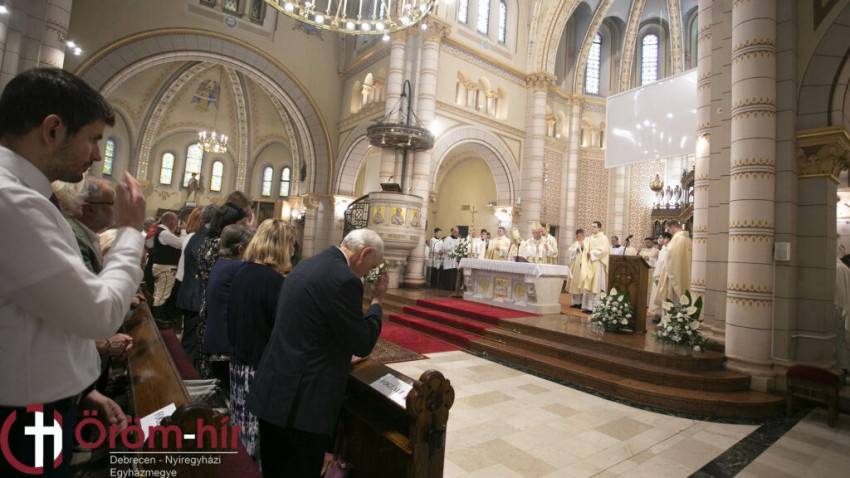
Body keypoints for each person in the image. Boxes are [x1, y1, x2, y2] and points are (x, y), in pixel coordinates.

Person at [0, 68, 145, 476]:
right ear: (52, 130)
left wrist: (80, 391)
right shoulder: (12, 201)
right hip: (23, 417)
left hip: (38, 402)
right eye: (93, 139)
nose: (97, 155)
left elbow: (36, 319)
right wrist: (130, 232)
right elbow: (99, 313)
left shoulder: (25, 197)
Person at [247, 229, 388, 477]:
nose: (367, 274)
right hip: (302, 405)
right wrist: (376, 301)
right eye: (371, 266)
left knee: (273, 470)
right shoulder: (345, 279)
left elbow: (307, 325)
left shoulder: (306, 264)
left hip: (274, 391)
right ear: (364, 253)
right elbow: (363, 343)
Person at [227, 219, 294, 461]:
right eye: (291, 243)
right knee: (254, 443)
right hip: (257, 370)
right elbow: (284, 329)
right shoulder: (273, 281)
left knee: (242, 435)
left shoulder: (243, 270)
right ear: (280, 245)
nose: (293, 249)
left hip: (239, 363)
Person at [201, 224, 254, 390]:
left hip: (216, 339)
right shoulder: (238, 268)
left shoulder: (221, 263)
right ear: (240, 249)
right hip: (225, 344)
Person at [176, 203, 219, 364]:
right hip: (196, 296)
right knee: (191, 344)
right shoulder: (206, 239)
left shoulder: (196, 235)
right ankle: (186, 374)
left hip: (190, 294)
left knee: (190, 340)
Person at [150, 211, 184, 327]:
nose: (176, 223)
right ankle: (159, 321)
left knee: (159, 294)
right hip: (165, 269)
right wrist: (184, 232)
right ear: (170, 222)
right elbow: (181, 244)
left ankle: (159, 319)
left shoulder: (162, 231)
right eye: (176, 221)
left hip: (161, 268)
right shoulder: (164, 233)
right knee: (161, 296)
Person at [652, 221, 692, 314]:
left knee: (675, 301)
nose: (669, 232)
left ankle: (673, 320)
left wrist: (666, 248)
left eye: (669, 229)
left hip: (675, 275)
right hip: (684, 273)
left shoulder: (677, 238)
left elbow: (669, 256)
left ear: (673, 227)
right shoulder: (687, 239)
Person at [579, 221, 610, 313]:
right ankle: (588, 307)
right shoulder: (589, 238)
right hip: (589, 263)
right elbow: (584, 248)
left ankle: (597, 307)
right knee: (588, 284)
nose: (592, 228)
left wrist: (592, 253)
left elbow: (604, 251)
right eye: (591, 226)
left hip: (598, 264)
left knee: (596, 285)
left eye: (594, 226)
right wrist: (582, 246)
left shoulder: (603, 238)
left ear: (599, 228)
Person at [649, 232, 672, 321]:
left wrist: (658, 277)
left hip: (662, 277)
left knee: (662, 296)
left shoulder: (667, 250)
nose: (659, 239)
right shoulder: (662, 249)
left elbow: (663, 265)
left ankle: (664, 318)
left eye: (661, 237)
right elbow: (659, 263)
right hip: (658, 276)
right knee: (658, 296)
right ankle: (659, 315)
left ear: (667, 239)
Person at [566, 229, 586, 309]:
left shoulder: (586, 243)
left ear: (583, 235)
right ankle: (576, 302)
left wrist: (582, 248)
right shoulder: (575, 244)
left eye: (580, 235)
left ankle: (582, 303)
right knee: (575, 285)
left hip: (583, 267)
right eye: (577, 236)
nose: (579, 237)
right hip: (575, 267)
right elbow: (570, 252)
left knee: (582, 285)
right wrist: (575, 250)